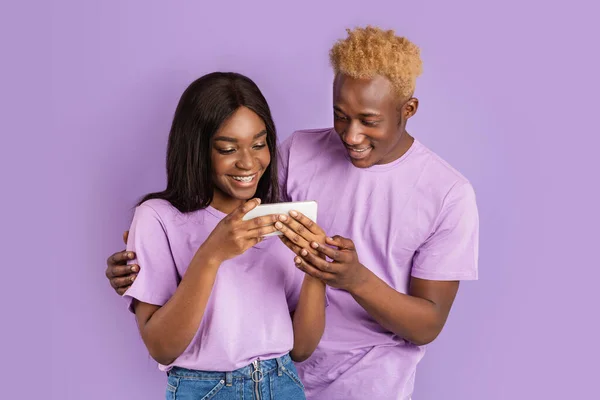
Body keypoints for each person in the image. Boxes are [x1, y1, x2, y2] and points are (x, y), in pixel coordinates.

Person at [106, 27, 479, 399]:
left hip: (366, 380)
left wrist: (351, 277)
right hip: (289, 372)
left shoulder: (448, 194)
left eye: (369, 120)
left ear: (408, 110)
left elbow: (428, 323)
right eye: (340, 115)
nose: (350, 136)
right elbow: (215, 228)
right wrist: (148, 269)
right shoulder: (297, 153)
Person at [118, 71, 327, 400]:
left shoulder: (279, 217)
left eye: (259, 144)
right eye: (228, 149)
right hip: (206, 389)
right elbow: (162, 348)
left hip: (283, 382)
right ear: (197, 150)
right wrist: (212, 253)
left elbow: (301, 349)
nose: (248, 162)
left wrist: (316, 269)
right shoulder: (157, 218)